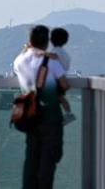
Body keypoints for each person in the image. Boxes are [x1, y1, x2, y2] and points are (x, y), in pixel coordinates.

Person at [13, 25, 70, 189]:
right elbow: (65, 85)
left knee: (31, 159)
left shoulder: (19, 61)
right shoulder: (50, 61)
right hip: (51, 116)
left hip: (30, 116)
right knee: (48, 161)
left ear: (30, 41)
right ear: (47, 42)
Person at [49, 27, 76, 125]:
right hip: (61, 78)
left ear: (51, 39)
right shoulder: (65, 53)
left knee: (58, 97)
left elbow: (53, 57)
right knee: (60, 97)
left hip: (56, 80)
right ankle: (67, 113)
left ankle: (68, 114)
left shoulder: (56, 51)